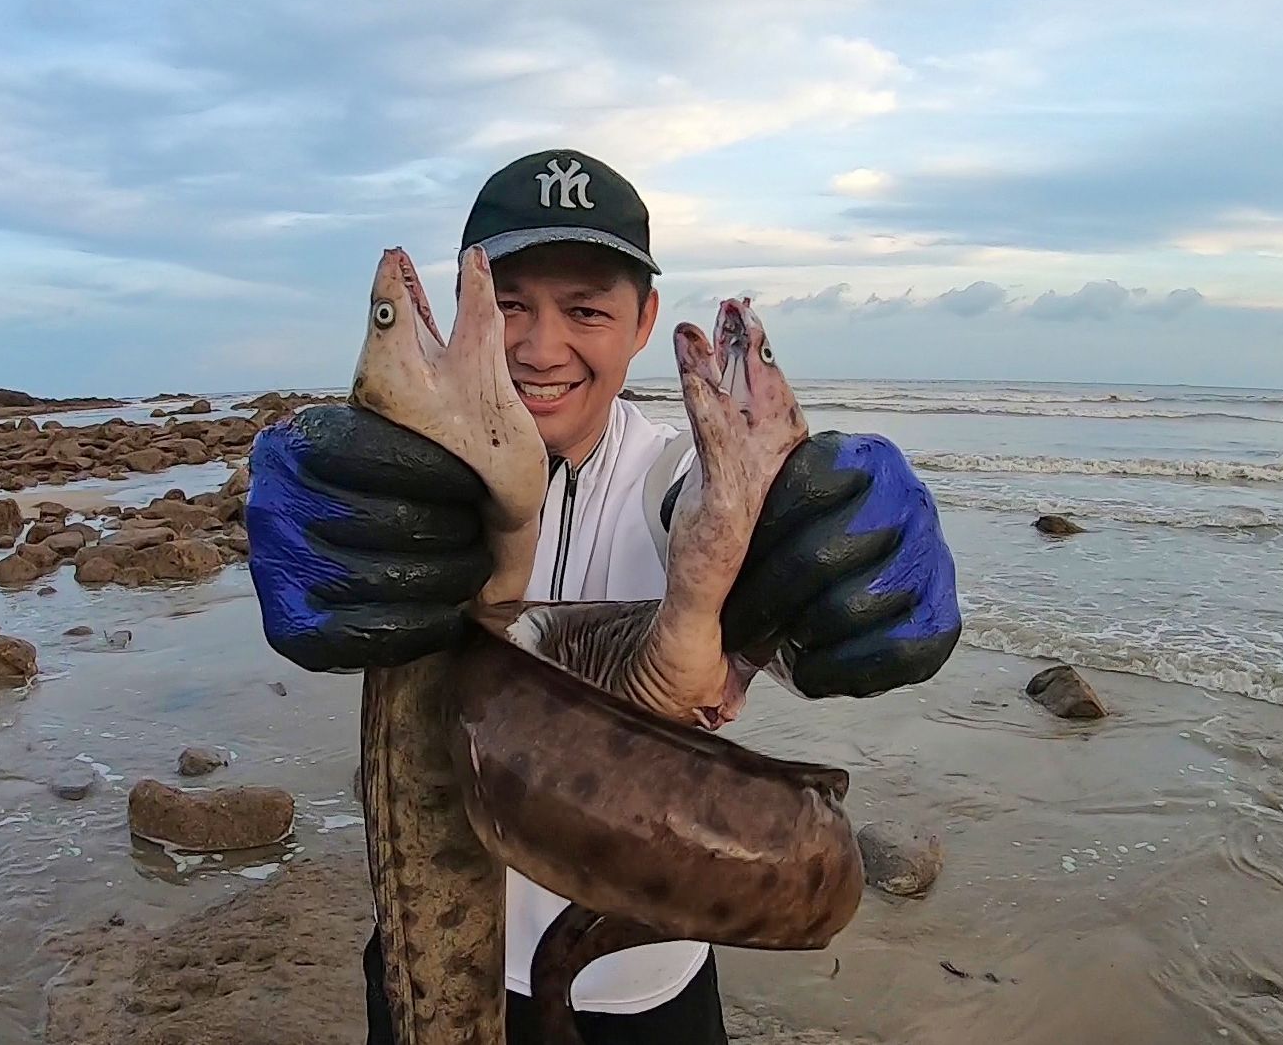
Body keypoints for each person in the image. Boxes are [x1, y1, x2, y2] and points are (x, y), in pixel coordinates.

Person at [244, 148, 962, 1045]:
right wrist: (317, 520)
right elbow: (354, 547)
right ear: (467, 310)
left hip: (644, 990)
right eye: (509, 306)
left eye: (585, 310)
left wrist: (848, 564)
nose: (542, 349)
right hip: (427, 958)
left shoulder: (671, 477)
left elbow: (731, 543)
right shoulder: (408, 490)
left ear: (642, 321)